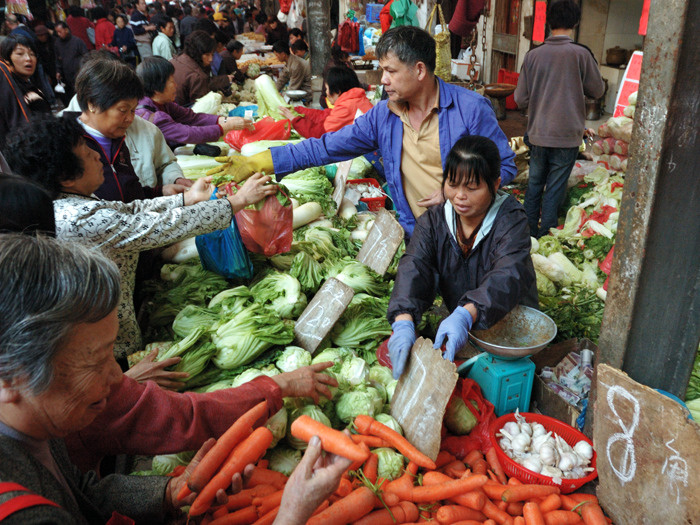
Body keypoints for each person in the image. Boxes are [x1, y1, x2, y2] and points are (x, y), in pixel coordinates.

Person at [0, 232, 350, 524]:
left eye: (112, 354)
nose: (119, 376)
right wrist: (290, 514)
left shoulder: (36, 425)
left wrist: (171, 491)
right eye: (95, 361)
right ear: (10, 378)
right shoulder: (22, 515)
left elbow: (82, 491)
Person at [3, 115, 277, 363]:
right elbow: (158, 227)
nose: (97, 156)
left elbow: (130, 211)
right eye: (86, 152)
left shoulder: (72, 202)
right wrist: (237, 201)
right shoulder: (78, 218)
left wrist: (187, 198)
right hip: (106, 347)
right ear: (65, 176)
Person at [234, 26, 516, 236]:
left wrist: (452, 193)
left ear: (419, 70)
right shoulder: (383, 115)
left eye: (390, 71)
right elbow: (325, 147)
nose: (383, 80)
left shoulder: (471, 109)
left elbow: (505, 167)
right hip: (416, 234)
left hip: (469, 234)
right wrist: (263, 161)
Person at [386, 136, 538, 378]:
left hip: (509, 324)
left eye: (472, 187)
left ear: (496, 184)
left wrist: (467, 312)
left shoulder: (511, 220)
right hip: (462, 324)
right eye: (452, 184)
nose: (459, 196)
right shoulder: (434, 221)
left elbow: (507, 274)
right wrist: (403, 320)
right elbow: (415, 264)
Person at [514, 0, 605, 238]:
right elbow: (597, 91)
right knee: (554, 188)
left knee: (534, 185)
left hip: (538, 134)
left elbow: (520, 98)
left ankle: (526, 234)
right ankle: (546, 235)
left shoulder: (533, 55)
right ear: (575, 23)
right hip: (567, 136)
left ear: (549, 22)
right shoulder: (581, 54)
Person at [60, 51, 187, 190]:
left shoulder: (147, 131)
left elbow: (164, 165)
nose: (130, 118)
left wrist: (175, 180)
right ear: (93, 104)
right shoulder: (63, 140)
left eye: (133, 110)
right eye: (123, 110)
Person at [136, 56, 253, 148]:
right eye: (172, 82)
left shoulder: (163, 103)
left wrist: (225, 120)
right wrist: (225, 127)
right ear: (157, 88)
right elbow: (188, 133)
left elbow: (191, 117)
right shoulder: (151, 117)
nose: (176, 86)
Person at [279, 66, 373, 139]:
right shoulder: (357, 99)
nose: (326, 93)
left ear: (337, 91)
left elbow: (319, 133)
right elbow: (326, 115)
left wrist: (295, 120)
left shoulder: (347, 107)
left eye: (327, 89)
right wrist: (300, 110)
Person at [0, 34, 52, 137]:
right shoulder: (7, 86)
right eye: (20, 54)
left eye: (32, 54)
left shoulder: (30, 86)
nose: (28, 58)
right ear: (6, 59)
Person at [171, 30, 229, 106]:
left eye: (212, 55)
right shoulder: (197, 75)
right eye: (207, 55)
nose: (211, 59)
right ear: (197, 52)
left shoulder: (176, 59)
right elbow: (199, 109)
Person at [54, 21, 88, 102]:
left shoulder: (77, 41)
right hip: (67, 75)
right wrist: (58, 71)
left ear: (66, 30)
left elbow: (86, 56)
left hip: (79, 73)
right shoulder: (57, 44)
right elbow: (58, 59)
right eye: (57, 32)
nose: (58, 34)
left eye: (60, 32)